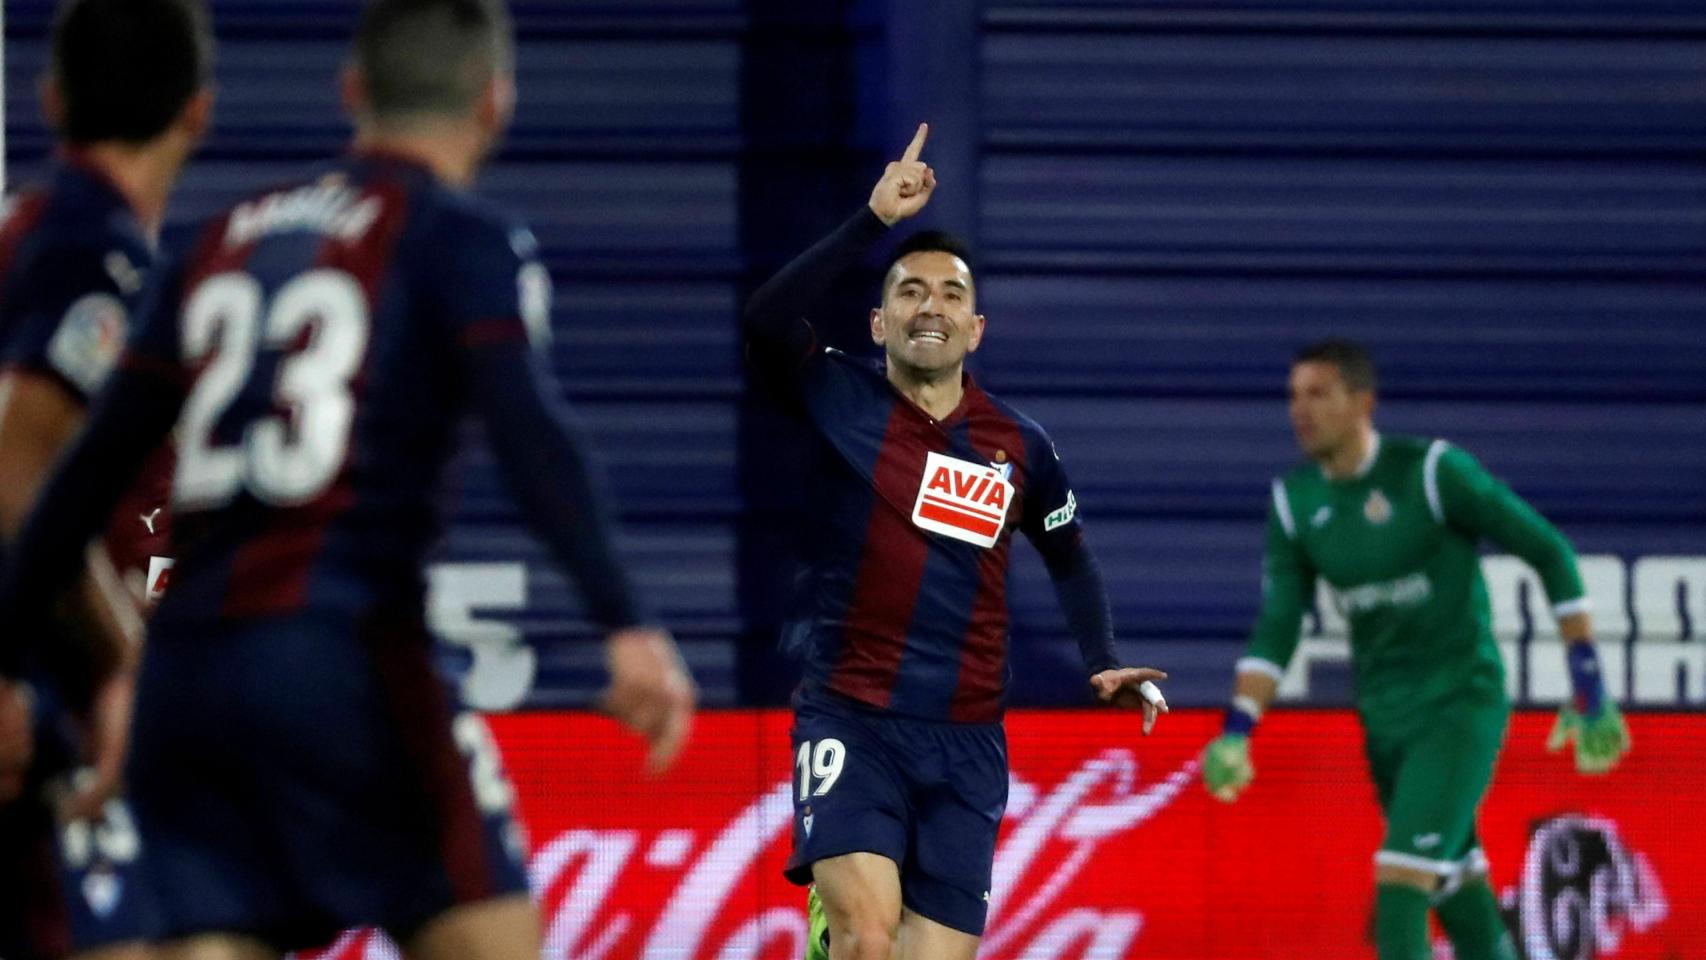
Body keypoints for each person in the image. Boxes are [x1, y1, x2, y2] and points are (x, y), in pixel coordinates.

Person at [0, 1, 695, 958]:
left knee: (216, 937)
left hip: (184, 678)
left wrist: (5, 655)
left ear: (350, 93)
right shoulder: (457, 236)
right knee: (491, 933)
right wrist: (624, 620)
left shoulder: (215, 241)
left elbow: (79, 477)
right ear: (495, 104)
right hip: (346, 656)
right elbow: (533, 433)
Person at [743, 124, 1169, 960]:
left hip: (968, 741)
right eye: (907, 291)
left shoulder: (1021, 446)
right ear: (877, 323)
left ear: (975, 329)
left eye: (949, 294)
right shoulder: (837, 395)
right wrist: (872, 220)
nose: (928, 305)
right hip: (852, 716)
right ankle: (841, 929)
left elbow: (1069, 555)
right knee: (870, 938)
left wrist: (1101, 657)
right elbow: (763, 321)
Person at [1200, 339, 1631, 960]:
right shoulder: (1295, 504)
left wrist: (1587, 677)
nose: (1300, 409)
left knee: (1401, 892)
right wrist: (1238, 728)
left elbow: (1550, 552)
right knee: (1461, 898)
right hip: (1384, 723)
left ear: (1362, 402)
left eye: (1318, 393)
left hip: (1459, 708)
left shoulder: (1432, 473)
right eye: (1293, 395)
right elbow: (1278, 628)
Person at [0, 1, 213, 957]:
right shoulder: (95, 253)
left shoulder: (33, 236)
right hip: (42, 698)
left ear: (49, 101)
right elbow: (15, 481)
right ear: (196, 114)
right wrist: (122, 664)